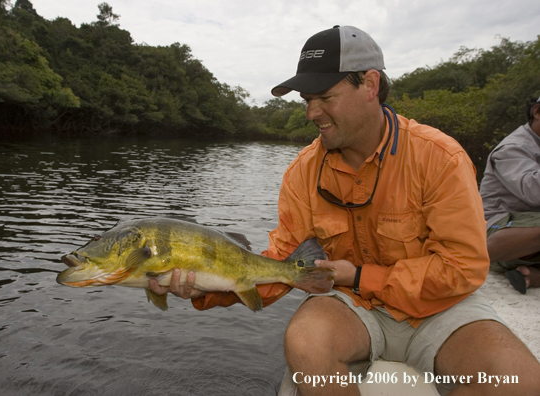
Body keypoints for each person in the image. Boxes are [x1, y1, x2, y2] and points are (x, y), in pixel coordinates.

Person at [150, 26, 540, 395]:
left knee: (521, 382)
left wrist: (359, 275)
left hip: (440, 307)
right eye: (307, 100)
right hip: (351, 307)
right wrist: (206, 286)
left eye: (324, 97)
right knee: (305, 344)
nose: (311, 113)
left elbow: (463, 267)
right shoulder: (302, 171)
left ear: (369, 84)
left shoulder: (440, 158)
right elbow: (281, 262)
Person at [479, 96, 540, 294]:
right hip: (499, 229)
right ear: (537, 112)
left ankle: (529, 275)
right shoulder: (511, 149)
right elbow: (534, 192)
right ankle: (464, 256)